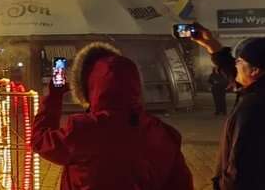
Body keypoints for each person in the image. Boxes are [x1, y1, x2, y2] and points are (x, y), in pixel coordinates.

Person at [32, 42, 193, 190]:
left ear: (89, 86)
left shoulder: (83, 130)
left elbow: (40, 140)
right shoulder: (164, 133)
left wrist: (54, 95)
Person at [192, 24, 265, 190]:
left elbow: (241, 166)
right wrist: (211, 45)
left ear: (254, 70)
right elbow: (235, 73)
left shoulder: (254, 107)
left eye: (239, 61)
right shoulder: (257, 90)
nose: (235, 65)